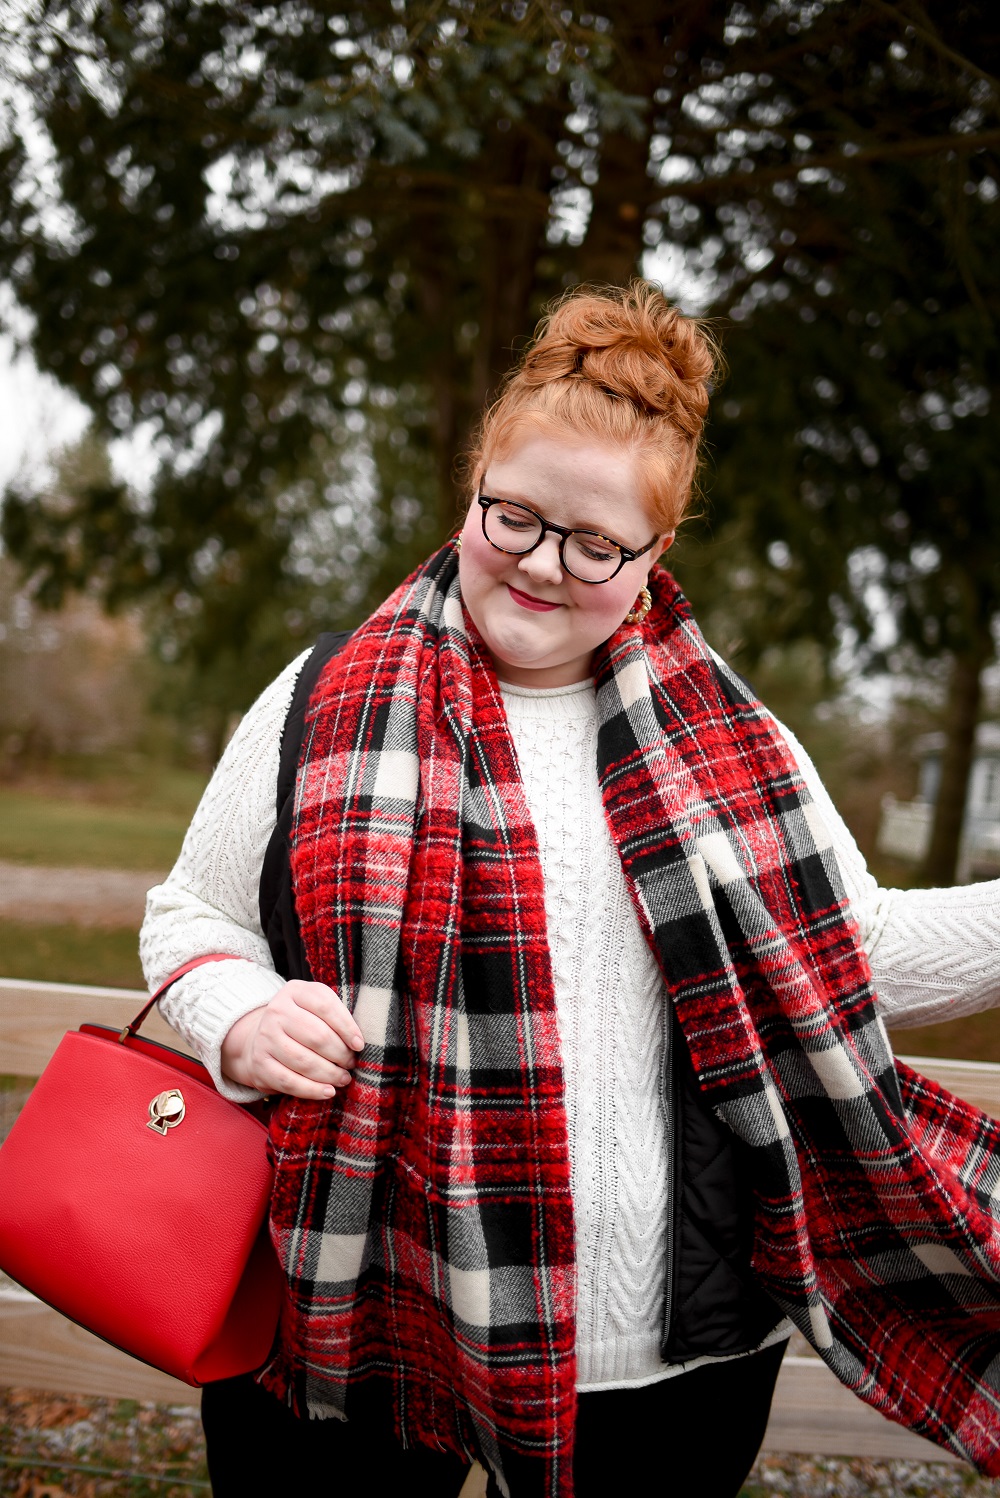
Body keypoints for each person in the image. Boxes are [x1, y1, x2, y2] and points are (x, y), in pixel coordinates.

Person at [141, 281, 1000, 1498]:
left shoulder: (732, 742)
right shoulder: (320, 696)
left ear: (654, 556)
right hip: (361, 1314)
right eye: (515, 517)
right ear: (472, 489)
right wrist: (236, 1011)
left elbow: (852, 951)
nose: (543, 566)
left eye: (596, 543)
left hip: (663, 1355)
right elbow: (191, 915)